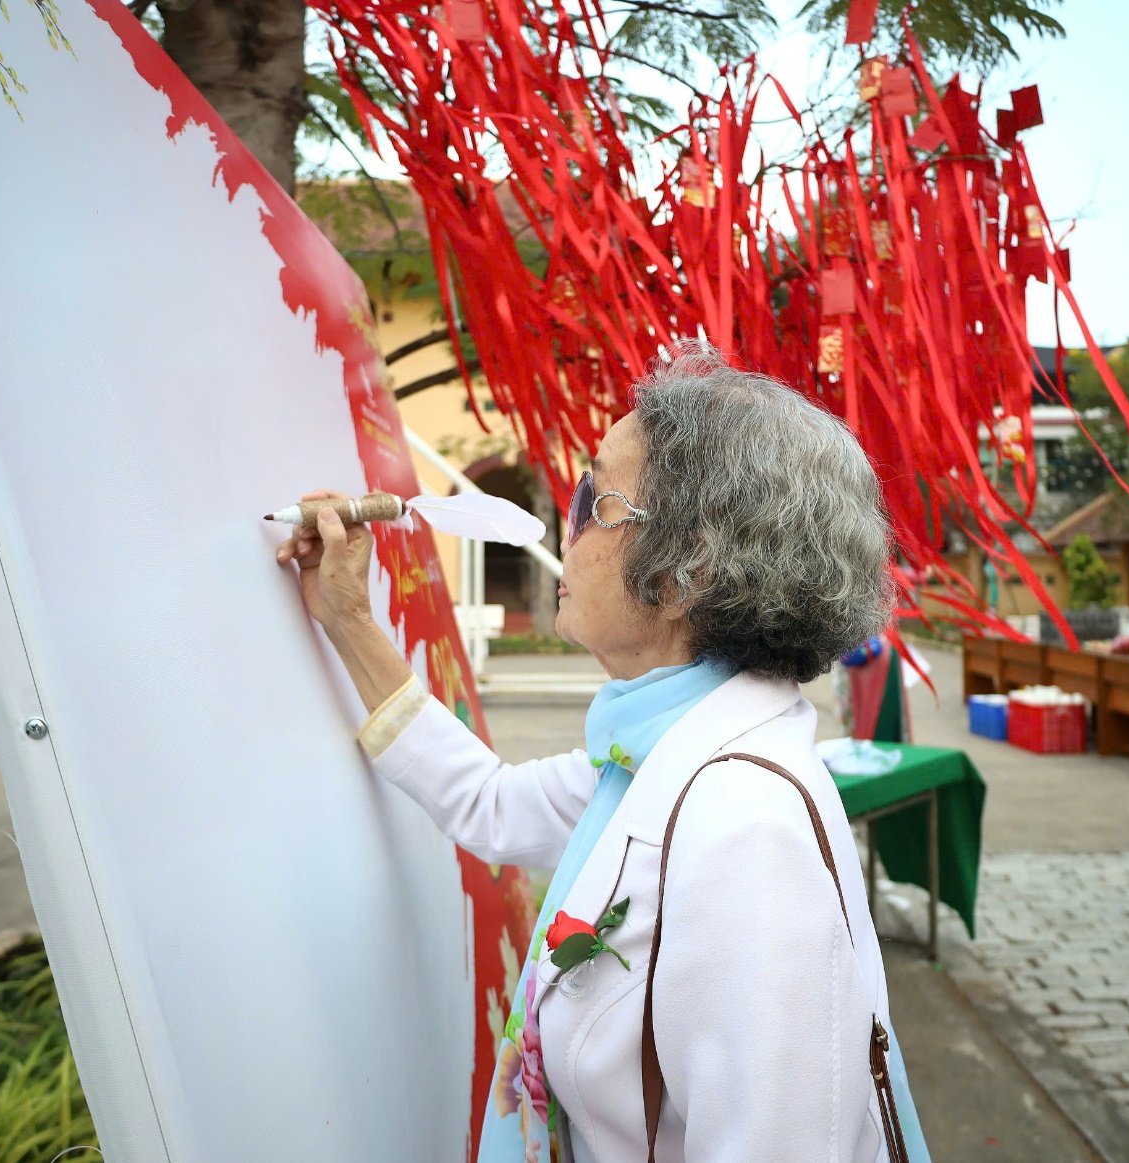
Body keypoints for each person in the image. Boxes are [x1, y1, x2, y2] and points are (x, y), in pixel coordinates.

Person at [277, 343, 929, 1163]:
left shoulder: (743, 827)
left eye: (596, 498)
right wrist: (347, 618)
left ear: (687, 570)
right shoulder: (667, 755)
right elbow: (492, 803)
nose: (566, 525)